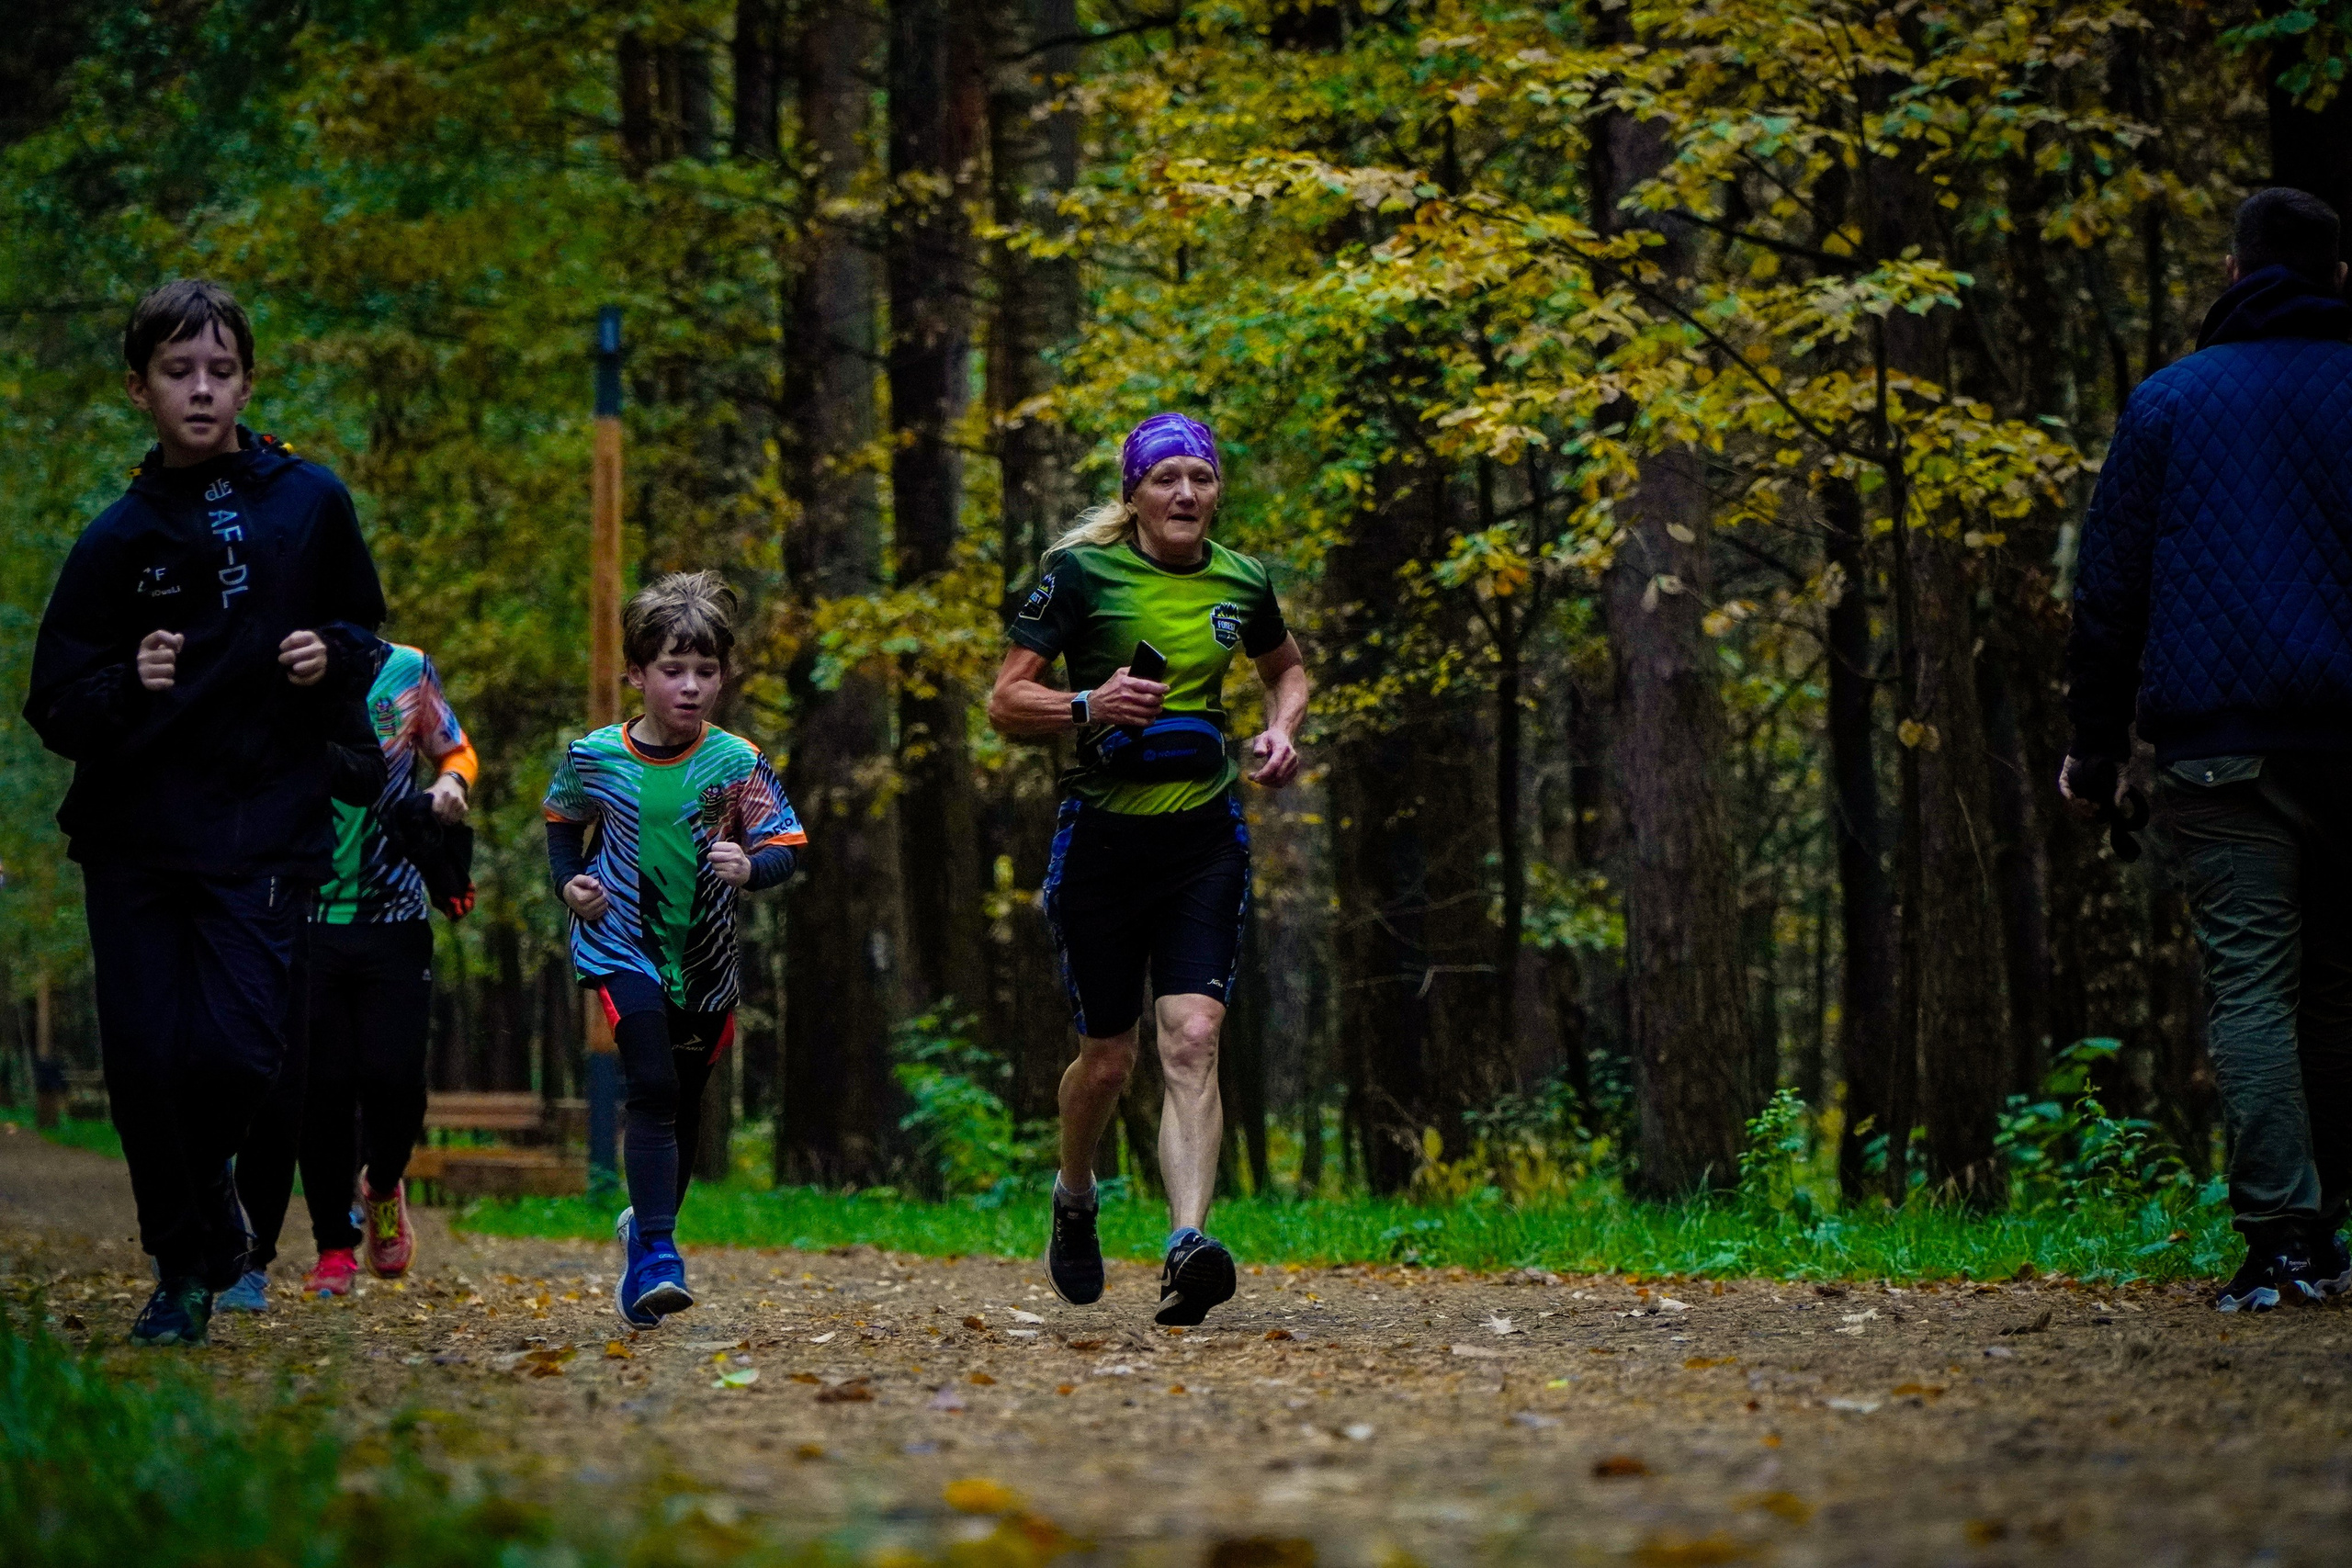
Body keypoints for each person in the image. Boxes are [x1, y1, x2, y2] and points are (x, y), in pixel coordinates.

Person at [24, 278, 386, 1347]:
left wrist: (335, 659)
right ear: (138, 388)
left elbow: (365, 634)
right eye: (178, 372)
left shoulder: (310, 503)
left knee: (235, 1050)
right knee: (143, 1058)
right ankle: (184, 1269)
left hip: (264, 822)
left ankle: (215, 1201)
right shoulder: (114, 539)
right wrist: (129, 678)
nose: (201, 390)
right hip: (134, 834)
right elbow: (55, 701)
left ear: (248, 380)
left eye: (220, 370)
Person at [2064, 186, 2352, 1313]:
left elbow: (2107, 599)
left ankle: (2287, 1240)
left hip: (2222, 750)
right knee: (2334, 986)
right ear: (2336, 279)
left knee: (2252, 991)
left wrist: (2093, 757)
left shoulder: (2169, 404)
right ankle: (2327, 1227)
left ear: (2234, 273)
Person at [986, 412, 1308, 1325]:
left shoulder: (1242, 581)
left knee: (1193, 1037)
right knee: (1107, 1058)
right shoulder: (1080, 575)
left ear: (1216, 492)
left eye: (1199, 478)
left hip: (1203, 842)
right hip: (1100, 843)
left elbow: (1286, 670)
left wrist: (1281, 729)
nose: (1184, 494)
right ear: (1132, 494)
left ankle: (1185, 1246)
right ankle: (1076, 1192)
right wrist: (1088, 702)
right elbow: (1004, 701)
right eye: (1164, 478)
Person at [545, 572, 804, 1328]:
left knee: (685, 1102)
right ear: (636, 674)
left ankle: (643, 1229)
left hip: (705, 959)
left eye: (706, 671)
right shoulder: (595, 755)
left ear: (723, 675)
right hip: (621, 944)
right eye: (672, 670)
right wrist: (571, 887)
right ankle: (658, 1253)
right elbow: (562, 820)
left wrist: (750, 867)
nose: (690, 687)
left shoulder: (738, 760)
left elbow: (785, 844)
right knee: (652, 1085)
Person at [215, 637, 479, 1311]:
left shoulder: (407, 669)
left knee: (396, 1081)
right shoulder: (273, 664)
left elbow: (455, 747)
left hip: (395, 913)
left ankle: (384, 1181)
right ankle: (335, 1247)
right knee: (321, 1088)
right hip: (306, 913)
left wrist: (451, 782)